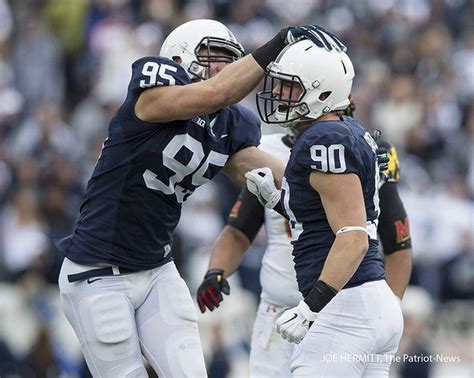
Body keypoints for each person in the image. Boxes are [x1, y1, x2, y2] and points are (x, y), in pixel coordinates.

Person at [55, 19, 345, 377]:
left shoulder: (229, 125)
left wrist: (349, 166)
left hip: (157, 269)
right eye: (214, 56)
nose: (223, 68)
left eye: (229, 60)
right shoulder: (152, 93)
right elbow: (218, 93)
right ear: (178, 56)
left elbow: (282, 174)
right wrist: (277, 44)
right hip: (97, 272)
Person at [197, 98, 412, 376]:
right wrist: (216, 270)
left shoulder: (361, 154)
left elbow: (399, 247)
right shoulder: (271, 151)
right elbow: (239, 230)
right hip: (282, 306)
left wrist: (383, 309)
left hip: (339, 307)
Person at [244, 39, 403, 376]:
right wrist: (277, 201)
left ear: (321, 91)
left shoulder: (323, 140)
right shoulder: (348, 132)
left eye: (290, 87)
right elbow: (329, 216)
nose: (279, 94)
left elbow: (353, 236)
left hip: (345, 307)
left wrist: (310, 307)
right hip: (371, 301)